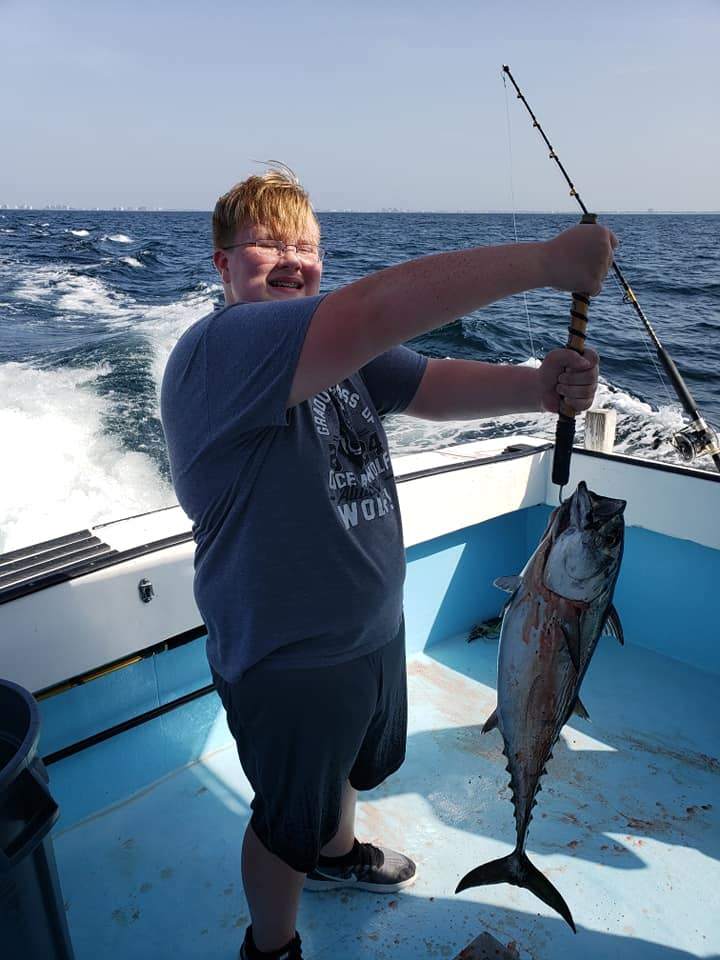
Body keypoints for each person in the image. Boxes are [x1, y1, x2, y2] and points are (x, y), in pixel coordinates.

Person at [160, 164, 616, 960]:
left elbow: (433, 386)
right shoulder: (222, 350)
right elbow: (369, 309)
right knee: (284, 821)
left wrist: (539, 387)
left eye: (307, 244)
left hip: (370, 630)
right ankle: (272, 946)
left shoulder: (336, 356)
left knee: (346, 773)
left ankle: (337, 860)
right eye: (267, 244)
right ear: (222, 266)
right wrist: (547, 263)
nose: (294, 259)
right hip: (288, 654)